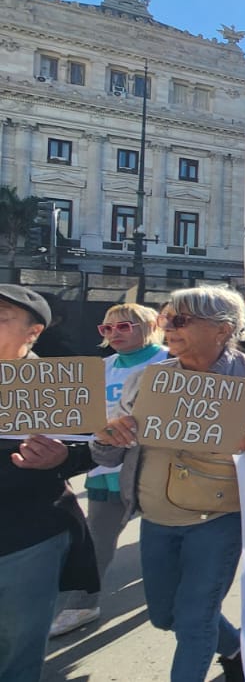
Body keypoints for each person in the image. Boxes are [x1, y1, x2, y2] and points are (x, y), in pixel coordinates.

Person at [94, 286, 245, 682]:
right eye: (166, 318)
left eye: (181, 320)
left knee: (194, 620)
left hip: (219, 516)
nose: (168, 327)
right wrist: (109, 436)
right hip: (155, 515)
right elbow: (107, 454)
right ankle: (236, 648)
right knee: (165, 615)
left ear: (223, 329)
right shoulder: (146, 379)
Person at [0, 285, 99, 681]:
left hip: (27, 539)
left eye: (1, 318)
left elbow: (95, 447)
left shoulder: (59, 386)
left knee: (17, 649)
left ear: (34, 332)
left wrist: (63, 458)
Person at [52, 303, 168, 638]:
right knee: (96, 539)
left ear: (151, 326)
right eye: (107, 328)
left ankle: (173, 593)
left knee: (165, 539)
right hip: (106, 465)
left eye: (124, 326)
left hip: (155, 468)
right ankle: (82, 604)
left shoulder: (171, 364)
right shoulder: (99, 369)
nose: (114, 333)